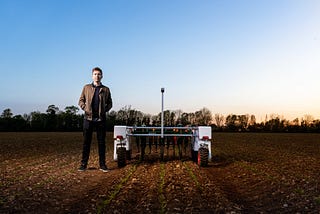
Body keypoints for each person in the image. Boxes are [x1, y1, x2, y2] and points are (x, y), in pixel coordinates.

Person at [78, 67, 112, 172]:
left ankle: (102, 165)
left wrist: (104, 111)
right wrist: (86, 108)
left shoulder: (106, 89)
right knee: (86, 143)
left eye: (99, 74)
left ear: (102, 76)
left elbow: (110, 103)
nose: (97, 76)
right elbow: (80, 101)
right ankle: (83, 165)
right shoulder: (86, 87)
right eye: (95, 74)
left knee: (101, 143)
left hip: (101, 120)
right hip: (88, 119)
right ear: (92, 76)